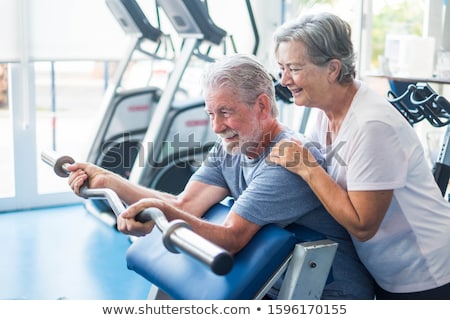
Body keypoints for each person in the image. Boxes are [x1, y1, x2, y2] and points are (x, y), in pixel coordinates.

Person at [67, 53, 374, 299]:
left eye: (226, 113)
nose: (216, 127)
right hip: (275, 284)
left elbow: (230, 239)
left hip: (325, 295)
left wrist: (157, 211)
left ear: (263, 106)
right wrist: (110, 182)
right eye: (211, 114)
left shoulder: (287, 161)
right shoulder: (229, 147)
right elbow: (185, 206)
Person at [268, 12, 450, 299]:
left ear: (332, 69)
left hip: (427, 271)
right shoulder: (325, 113)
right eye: (282, 68)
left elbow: (363, 225)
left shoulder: (371, 125)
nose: (285, 79)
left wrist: (308, 167)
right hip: (384, 268)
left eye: (294, 68)